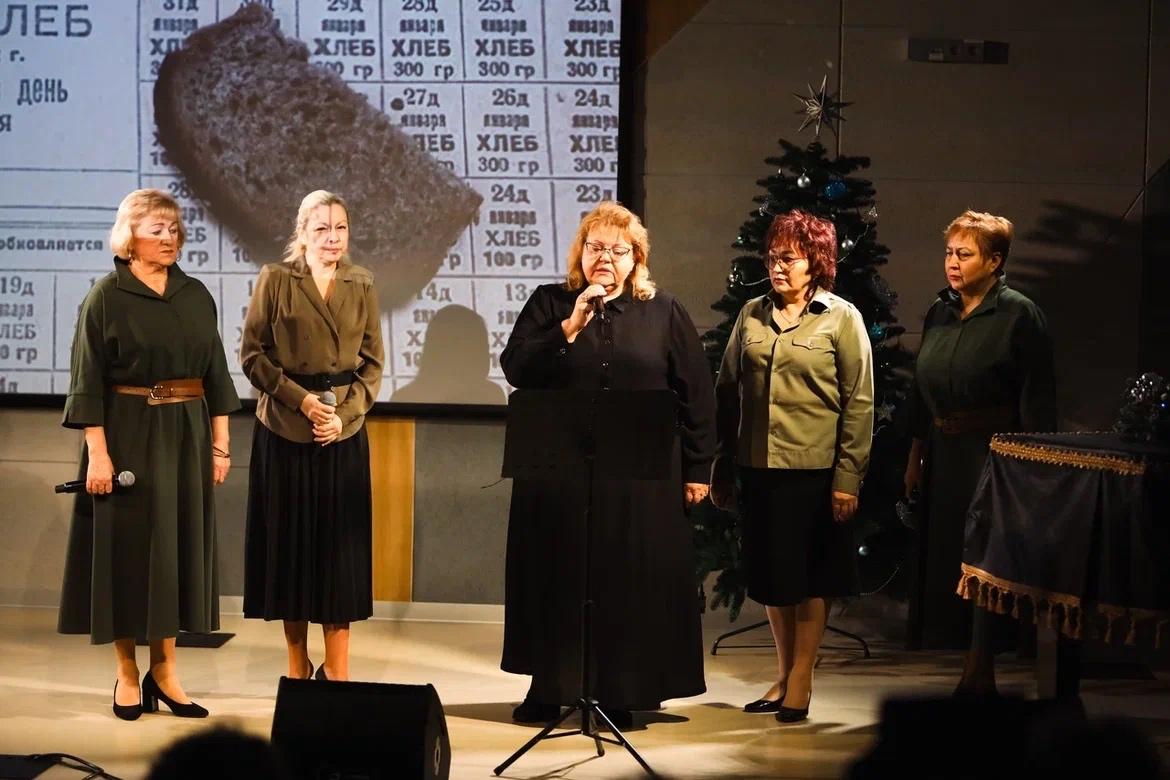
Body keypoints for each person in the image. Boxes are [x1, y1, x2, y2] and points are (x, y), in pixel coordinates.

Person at [499, 201, 715, 729]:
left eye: (618, 251)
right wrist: (569, 328)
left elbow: (697, 393)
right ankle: (549, 687)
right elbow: (517, 368)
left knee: (627, 580)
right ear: (580, 253)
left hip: (639, 478)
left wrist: (697, 469)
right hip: (559, 476)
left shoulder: (663, 310)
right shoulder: (551, 303)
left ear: (636, 258)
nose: (606, 258)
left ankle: (622, 689)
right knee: (557, 577)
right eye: (596, 248)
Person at [58, 188, 241, 720]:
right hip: (127, 433)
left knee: (175, 552)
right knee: (127, 553)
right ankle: (126, 673)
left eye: (174, 229)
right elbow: (86, 381)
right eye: (156, 229)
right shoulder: (106, 296)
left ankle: (165, 673)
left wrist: (221, 445)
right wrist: (98, 455)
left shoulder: (195, 294)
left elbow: (216, 374)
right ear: (129, 237)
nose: (169, 238)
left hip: (185, 436)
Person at [711, 209, 874, 724]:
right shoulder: (751, 314)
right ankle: (784, 675)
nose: (777, 267)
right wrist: (722, 464)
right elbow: (727, 391)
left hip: (816, 471)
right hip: (759, 468)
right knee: (772, 578)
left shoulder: (841, 317)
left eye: (789, 258)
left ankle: (802, 678)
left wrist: (848, 479)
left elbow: (860, 403)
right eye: (772, 258)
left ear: (815, 262)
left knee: (809, 579)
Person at [903, 210, 1056, 692]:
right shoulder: (940, 311)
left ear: (994, 261)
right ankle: (966, 660)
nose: (953, 262)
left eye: (965, 254)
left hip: (994, 455)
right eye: (949, 252)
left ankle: (980, 666)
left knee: (985, 557)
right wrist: (915, 455)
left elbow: (1038, 400)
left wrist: (1031, 470)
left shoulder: (1019, 314)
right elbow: (919, 392)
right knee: (950, 554)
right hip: (944, 453)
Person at [240, 190, 384, 683]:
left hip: (342, 434)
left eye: (340, 228)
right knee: (291, 553)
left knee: (339, 556)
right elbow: (252, 356)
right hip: (284, 429)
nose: (332, 238)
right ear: (301, 233)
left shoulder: (361, 282)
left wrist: (343, 416)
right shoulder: (276, 279)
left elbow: (373, 364)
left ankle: (338, 671)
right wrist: (300, 401)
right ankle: (297, 665)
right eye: (321, 228)